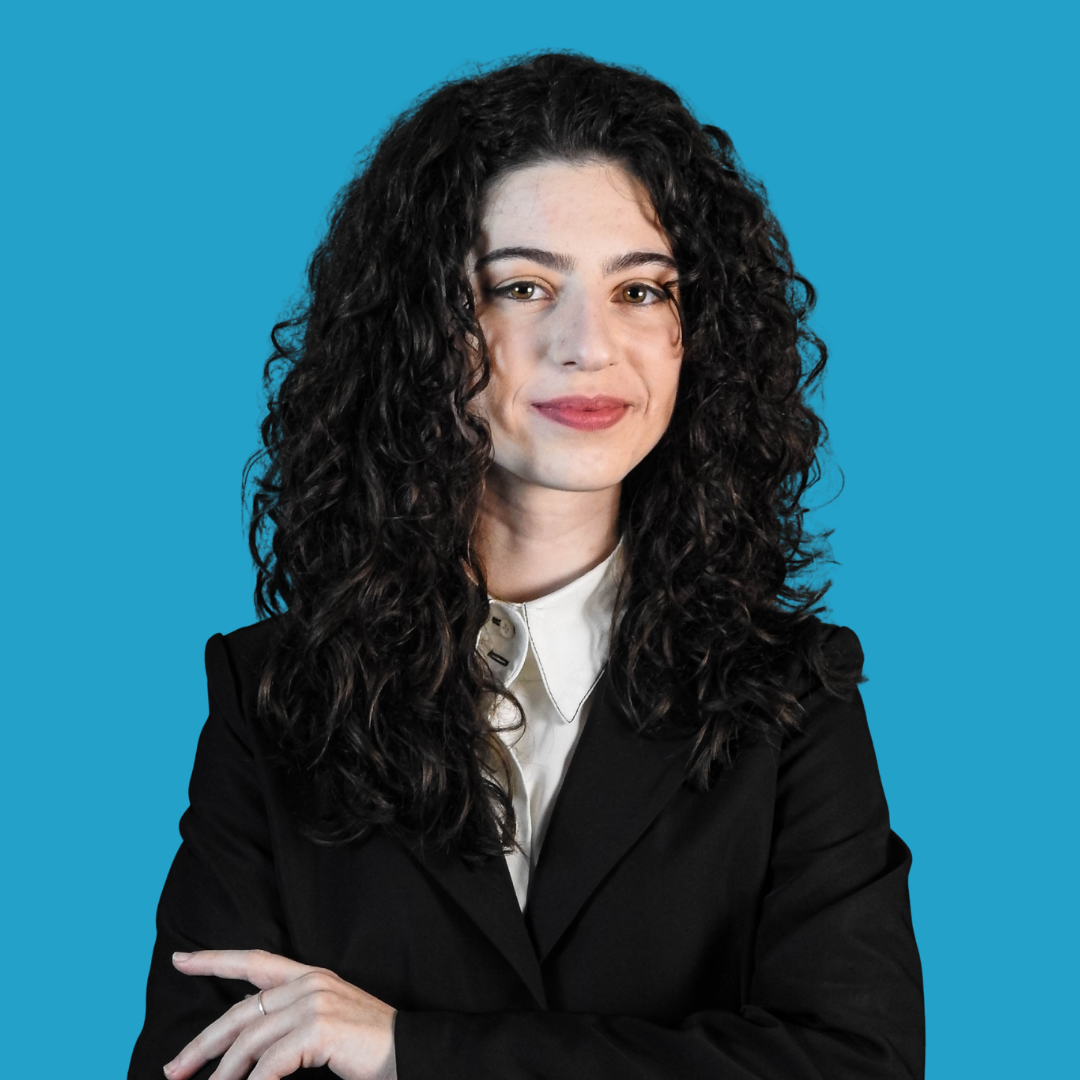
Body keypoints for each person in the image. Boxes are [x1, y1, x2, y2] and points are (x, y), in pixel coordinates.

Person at [129, 51, 924, 1080]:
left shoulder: (793, 696)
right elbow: (197, 1067)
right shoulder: (272, 694)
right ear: (420, 329)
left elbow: (857, 1066)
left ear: (699, 335)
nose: (588, 344)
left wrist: (410, 1050)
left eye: (642, 289)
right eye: (521, 286)